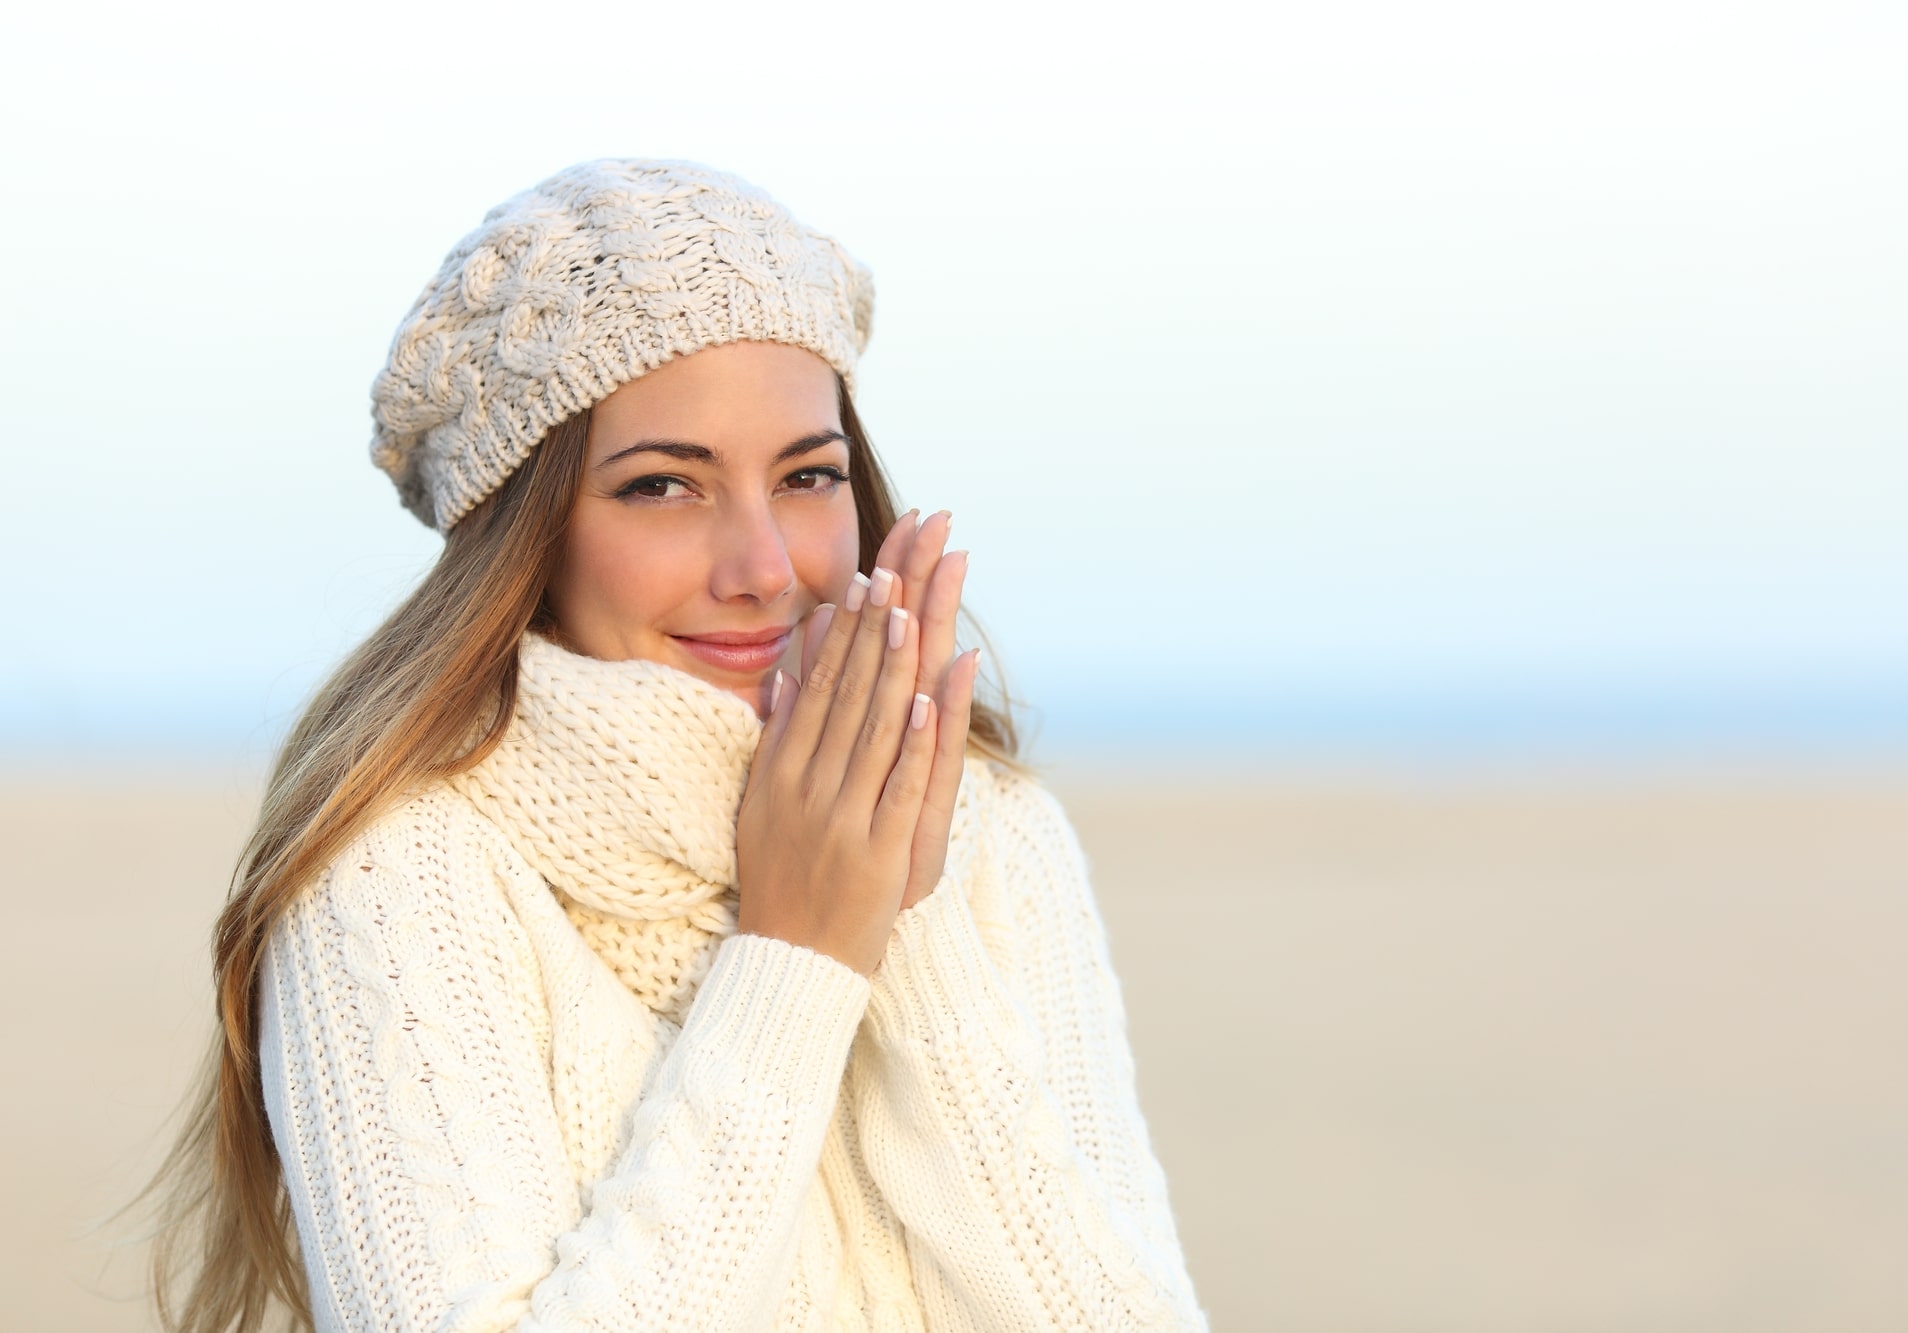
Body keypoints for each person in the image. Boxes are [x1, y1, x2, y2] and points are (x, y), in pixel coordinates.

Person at [140, 158, 1209, 1331]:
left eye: (807, 475)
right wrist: (799, 955)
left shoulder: (993, 831)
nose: (765, 568)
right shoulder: (399, 876)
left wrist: (903, 913)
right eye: (661, 487)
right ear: (525, 536)